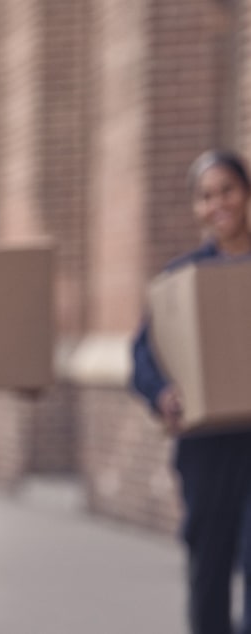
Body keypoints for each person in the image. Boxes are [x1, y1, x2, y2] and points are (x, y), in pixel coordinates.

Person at [131, 149, 251, 634]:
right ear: (195, 208)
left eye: (227, 190)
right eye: (205, 196)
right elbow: (142, 357)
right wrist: (162, 395)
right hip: (205, 450)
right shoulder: (181, 282)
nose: (218, 203)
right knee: (209, 571)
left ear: (246, 195)